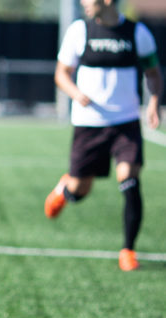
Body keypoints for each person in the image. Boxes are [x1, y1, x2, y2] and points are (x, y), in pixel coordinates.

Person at [44, 0, 162, 271]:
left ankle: (128, 250)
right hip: (89, 123)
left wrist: (154, 101)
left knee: (130, 181)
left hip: (125, 123)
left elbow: (153, 73)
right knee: (80, 190)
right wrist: (75, 94)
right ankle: (66, 188)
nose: (83, 3)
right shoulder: (79, 31)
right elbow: (61, 74)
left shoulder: (138, 33)